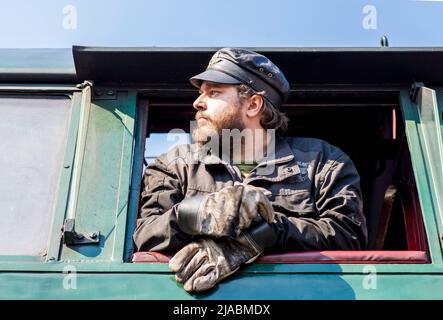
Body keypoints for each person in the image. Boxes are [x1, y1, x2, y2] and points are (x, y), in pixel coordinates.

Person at [133, 48, 368, 293]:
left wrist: (262, 236)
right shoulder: (174, 165)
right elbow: (145, 235)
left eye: (213, 92)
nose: (197, 102)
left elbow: (347, 236)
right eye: (200, 93)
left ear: (253, 104)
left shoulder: (323, 162)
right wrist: (198, 213)